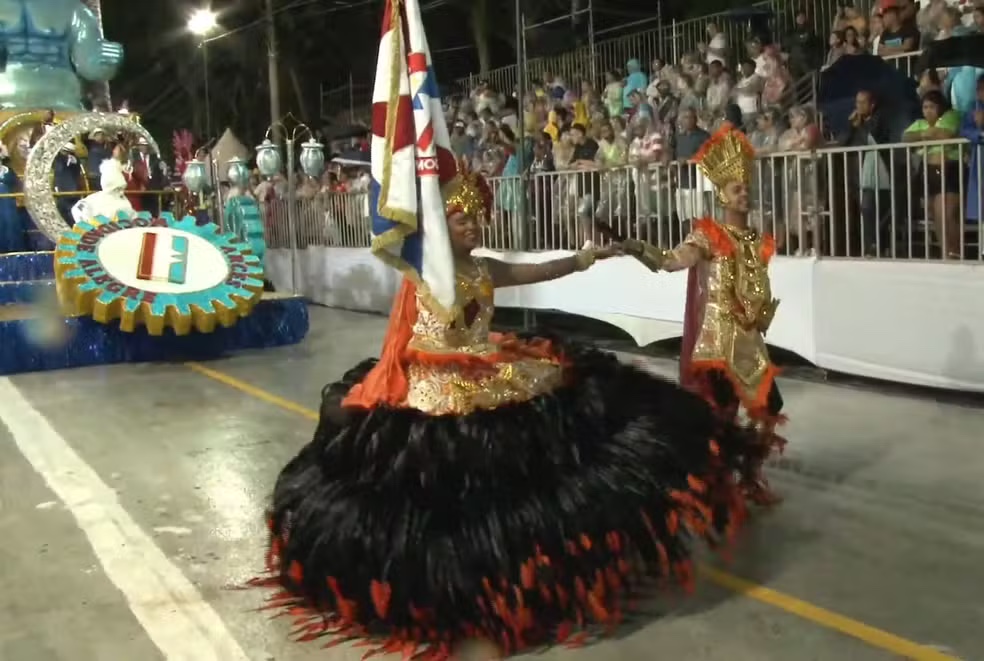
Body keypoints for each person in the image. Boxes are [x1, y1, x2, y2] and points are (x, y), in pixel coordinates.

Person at [254, 160, 764, 657]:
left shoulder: (482, 268)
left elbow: (536, 268)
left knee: (571, 397)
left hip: (489, 367)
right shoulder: (423, 270)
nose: (473, 226)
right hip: (437, 382)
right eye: (461, 219)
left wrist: (586, 257)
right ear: (438, 224)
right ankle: (464, 596)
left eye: (477, 218)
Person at [622, 123, 786, 506]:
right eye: (735, 189)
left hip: (749, 345)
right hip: (716, 346)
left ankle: (746, 476)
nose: (743, 194)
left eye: (746, 188)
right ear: (721, 196)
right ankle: (713, 482)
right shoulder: (708, 235)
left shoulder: (758, 241)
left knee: (769, 408)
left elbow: (759, 290)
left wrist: (760, 313)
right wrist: (637, 247)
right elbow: (672, 261)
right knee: (720, 417)